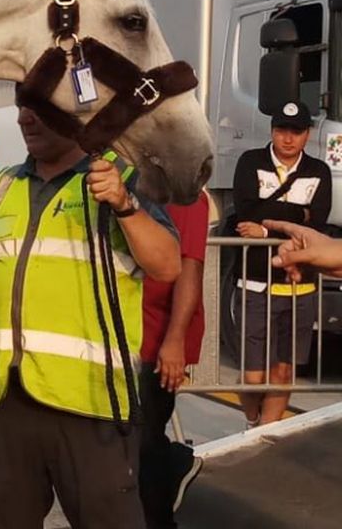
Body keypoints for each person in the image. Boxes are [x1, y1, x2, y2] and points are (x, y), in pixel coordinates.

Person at [0, 102, 180, 529]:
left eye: (40, 108)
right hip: (8, 404)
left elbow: (167, 264)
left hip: (90, 407)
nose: (26, 118)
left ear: (75, 113)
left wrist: (124, 204)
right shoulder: (6, 186)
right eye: (22, 106)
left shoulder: (119, 179)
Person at [230, 101, 330, 427]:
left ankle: (263, 436)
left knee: (284, 370)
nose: (288, 139)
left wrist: (264, 227)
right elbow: (244, 212)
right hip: (256, 283)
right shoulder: (250, 162)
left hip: (299, 286)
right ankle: (252, 420)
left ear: (307, 134)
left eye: (296, 132)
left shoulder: (319, 170)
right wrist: (298, 213)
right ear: (272, 131)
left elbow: (319, 221)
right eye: (281, 130)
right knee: (253, 376)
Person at [138, 193, 209, 528]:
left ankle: (161, 513)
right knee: (125, 442)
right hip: (122, 337)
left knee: (144, 440)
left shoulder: (186, 195)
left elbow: (190, 267)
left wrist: (175, 340)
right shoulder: (123, 183)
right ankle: (175, 462)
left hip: (158, 341)